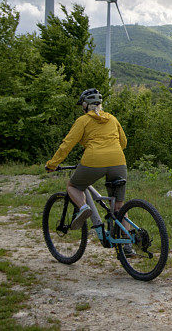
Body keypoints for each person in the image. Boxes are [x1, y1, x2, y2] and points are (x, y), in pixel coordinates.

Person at [45, 88, 129, 239]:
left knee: (73, 186)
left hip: (93, 161)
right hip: (119, 161)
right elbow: (123, 143)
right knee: (119, 206)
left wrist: (52, 164)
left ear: (85, 105)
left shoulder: (83, 121)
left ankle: (83, 208)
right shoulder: (112, 118)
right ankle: (128, 244)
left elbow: (67, 144)